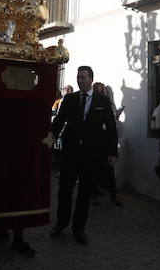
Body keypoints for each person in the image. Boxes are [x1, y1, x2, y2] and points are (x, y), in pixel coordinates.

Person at [50, 66, 117, 245]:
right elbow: (59, 122)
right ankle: (61, 223)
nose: (80, 80)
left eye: (84, 77)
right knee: (64, 189)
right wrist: (49, 140)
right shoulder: (70, 99)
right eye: (78, 77)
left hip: (91, 154)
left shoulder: (102, 101)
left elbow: (111, 128)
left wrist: (112, 152)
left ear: (91, 79)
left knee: (85, 193)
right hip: (70, 152)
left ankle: (79, 229)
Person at [92, 82, 124, 207]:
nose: (101, 93)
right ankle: (94, 195)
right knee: (93, 170)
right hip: (95, 143)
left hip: (106, 143)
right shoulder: (92, 104)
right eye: (99, 91)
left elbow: (111, 127)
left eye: (103, 91)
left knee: (109, 170)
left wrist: (115, 116)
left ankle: (113, 195)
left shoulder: (109, 104)